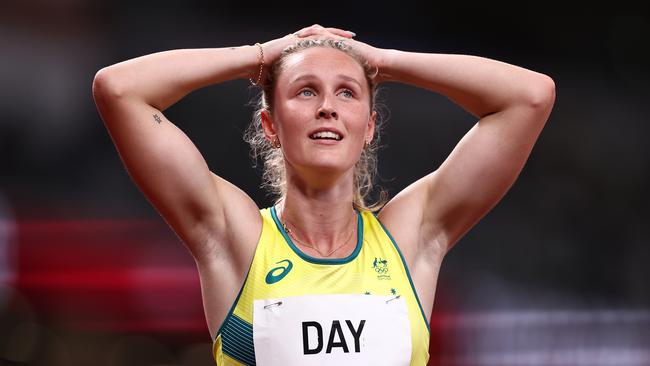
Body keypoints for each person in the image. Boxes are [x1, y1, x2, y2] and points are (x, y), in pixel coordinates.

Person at [92, 24, 555, 365]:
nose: (328, 108)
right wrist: (262, 55)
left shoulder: (411, 239)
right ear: (270, 125)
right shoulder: (236, 238)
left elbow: (530, 96)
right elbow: (119, 90)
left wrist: (384, 61)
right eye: (306, 92)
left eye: (348, 93)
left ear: (369, 126)